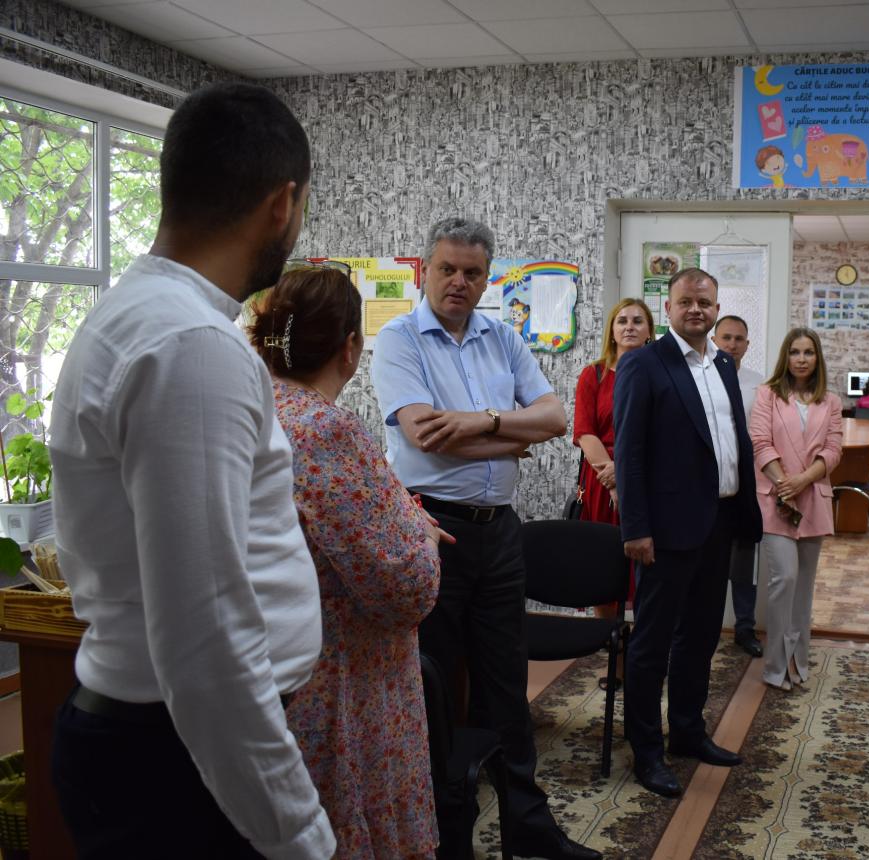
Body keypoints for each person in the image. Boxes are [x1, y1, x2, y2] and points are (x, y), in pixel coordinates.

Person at [49, 82, 335, 857]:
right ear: (282, 204)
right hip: (176, 760)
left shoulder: (141, 314)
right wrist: (299, 833)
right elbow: (203, 634)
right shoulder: (191, 347)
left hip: (165, 742)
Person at [371, 217, 598, 860]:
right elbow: (424, 438)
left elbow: (554, 418)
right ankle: (448, 833)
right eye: (447, 269)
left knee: (506, 683)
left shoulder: (503, 337)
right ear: (425, 271)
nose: (459, 282)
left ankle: (528, 823)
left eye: (472, 273)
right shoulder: (398, 340)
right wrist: (513, 437)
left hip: (500, 533)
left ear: (486, 278)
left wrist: (482, 423)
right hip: (434, 532)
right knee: (438, 687)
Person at [248, 265, 445, 858]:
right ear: (351, 346)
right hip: (343, 676)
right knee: (348, 823)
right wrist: (423, 537)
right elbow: (404, 588)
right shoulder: (325, 430)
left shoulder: (254, 411)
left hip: (267, 662)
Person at [614, 267, 762, 798]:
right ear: (669, 307)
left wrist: (745, 512)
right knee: (652, 645)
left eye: (705, 302)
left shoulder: (723, 363)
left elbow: (733, 440)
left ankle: (687, 732)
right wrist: (636, 528)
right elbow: (629, 452)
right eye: (686, 302)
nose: (696, 309)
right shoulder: (643, 364)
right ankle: (647, 752)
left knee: (700, 638)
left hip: (718, 523)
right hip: (664, 531)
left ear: (716, 308)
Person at [749, 328, 843, 690]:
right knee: (784, 579)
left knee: (803, 587)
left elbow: (833, 450)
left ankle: (797, 661)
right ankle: (776, 666)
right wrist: (784, 483)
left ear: (818, 358)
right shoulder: (767, 395)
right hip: (775, 498)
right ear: (785, 357)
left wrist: (802, 480)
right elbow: (760, 442)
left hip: (813, 498)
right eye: (795, 352)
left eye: (808, 352)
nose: (801, 359)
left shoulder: (830, 401)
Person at [573, 297, 653, 658]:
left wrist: (625, 475)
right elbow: (585, 432)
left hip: (645, 478)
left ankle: (645, 651)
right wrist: (614, 479)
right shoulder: (594, 374)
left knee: (647, 569)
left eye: (638, 320)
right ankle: (614, 653)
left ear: (650, 331)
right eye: (622, 321)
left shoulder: (660, 374)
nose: (629, 327)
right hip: (600, 482)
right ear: (612, 331)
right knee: (603, 568)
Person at [712, 314, 764, 658]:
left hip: (746, 484)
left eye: (739, 339)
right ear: (714, 340)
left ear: (747, 344)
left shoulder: (759, 385)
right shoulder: (700, 378)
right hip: (708, 483)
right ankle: (705, 625)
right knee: (707, 561)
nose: (732, 344)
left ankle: (744, 626)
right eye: (726, 337)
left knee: (744, 561)